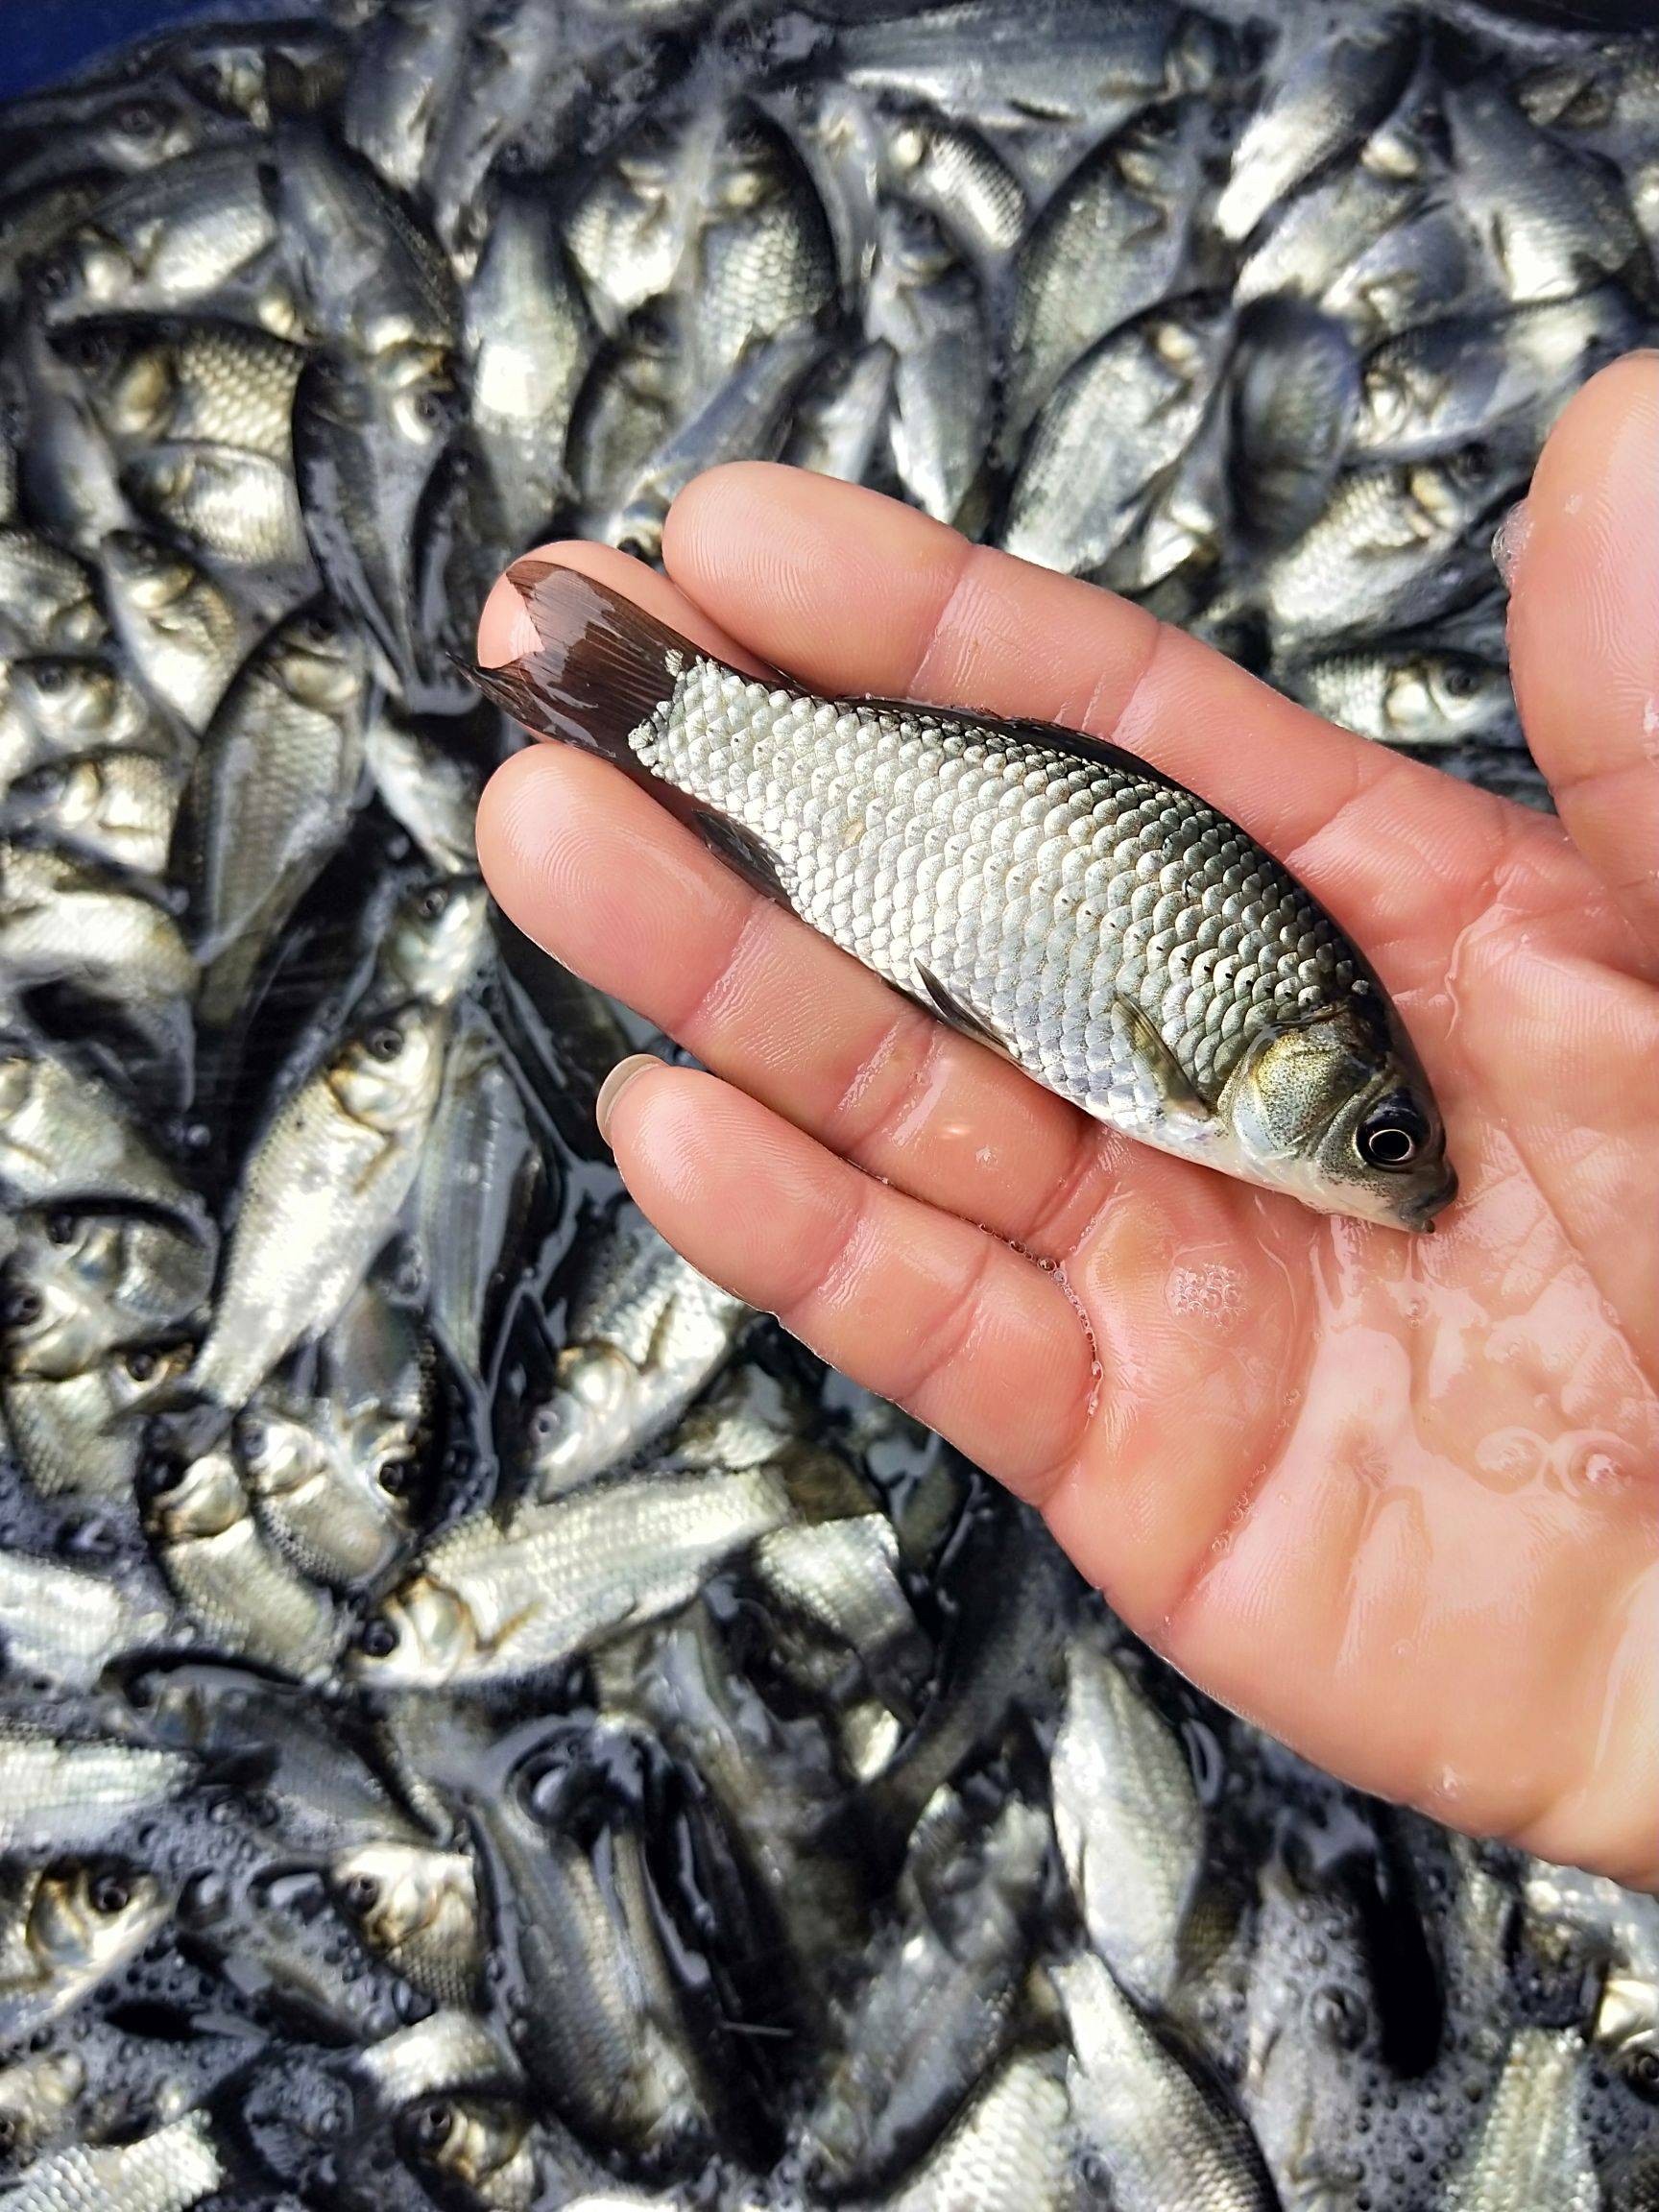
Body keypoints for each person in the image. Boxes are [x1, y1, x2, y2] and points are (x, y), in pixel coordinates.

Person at [473, 352, 1659, 1889]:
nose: (1401, 1178)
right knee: (708, 789)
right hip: (940, 848)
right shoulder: (1222, 1071)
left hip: (973, 887)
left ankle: (665, 720)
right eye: (1382, 1141)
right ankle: (664, 714)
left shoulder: (1277, 1074)